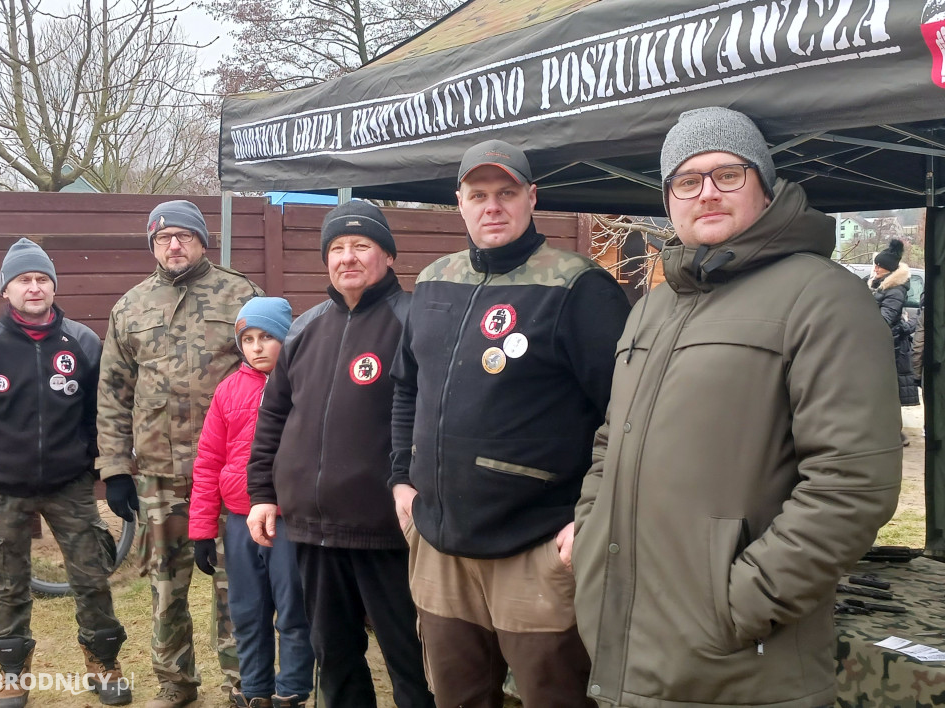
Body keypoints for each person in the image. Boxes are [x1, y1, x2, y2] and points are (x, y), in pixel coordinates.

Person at [572, 107, 903, 708]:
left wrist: (740, 601)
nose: (707, 193)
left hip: (740, 670)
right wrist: (593, 531)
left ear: (765, 187)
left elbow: (852, 482)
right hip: (631, 650)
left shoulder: (822, 298)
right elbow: (610, 442)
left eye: (729, 174)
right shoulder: (652, 307)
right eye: (687, 180)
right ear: (669, 198)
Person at [390, 139, 631, 708]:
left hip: (537, 547)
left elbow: (626, 413)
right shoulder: (432, 283)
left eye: (506, 193)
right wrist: (401, 477)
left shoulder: (578, 287)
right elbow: (406, 388)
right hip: (440, 545)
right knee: (458, 696)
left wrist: (592, 516)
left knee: (556, 695)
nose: (491, 207)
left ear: (532, 198)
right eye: (478, 195)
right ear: (460, 203)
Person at [245, 200, 433, 708]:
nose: (347, 258)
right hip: (313, 528)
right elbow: (274, 418)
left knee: (412, 660)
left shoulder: (414, 320)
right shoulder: (305, 328)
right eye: (337, 248)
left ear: (389, 256)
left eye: (361, 246)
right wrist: (262, 493)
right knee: (336, 660)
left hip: (388, 529)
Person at [0, 238, 131, 708]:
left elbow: (99, 414)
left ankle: (103, 666)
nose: (34, 287)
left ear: (54, 286)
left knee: (93, 581)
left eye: (42, 278)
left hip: (71, 487)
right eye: (24, 279)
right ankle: (12, 676)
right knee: (8, 587)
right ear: (6, 289)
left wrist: (99, 466)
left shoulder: (83, 342)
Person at [97, 200, 261, 708]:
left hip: (231, 474)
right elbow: (113, 393)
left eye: (184, 236)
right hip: (159, 475)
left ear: (202, 241)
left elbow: (273, 375)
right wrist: (116, 469)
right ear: (152, 243)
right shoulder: (130, 307)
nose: (174, 244)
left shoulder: (242, 295)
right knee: (166, 586)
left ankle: (243, 682)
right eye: (164, 236)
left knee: (236, 586)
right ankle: (175, 682)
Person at [189, 296, 315, 708]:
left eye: (267, 337)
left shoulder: (305, 384)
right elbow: (209, 461)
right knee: (247, 610)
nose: (257, 347)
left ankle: (292, 689)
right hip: (241, 522)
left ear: (287, 338)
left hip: (289, 521)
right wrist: (203, 530)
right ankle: (255, 690)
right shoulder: (228, 391)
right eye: (248, 339)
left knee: (293, 608)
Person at [869, 238, 921, 418]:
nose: (875, 269)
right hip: (887, 343)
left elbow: (886, 318)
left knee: (888, 389)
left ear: (889, 269)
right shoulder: (881, 286)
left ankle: (894, 432)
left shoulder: (895, 290)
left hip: (891, 346)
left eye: (878, 266)